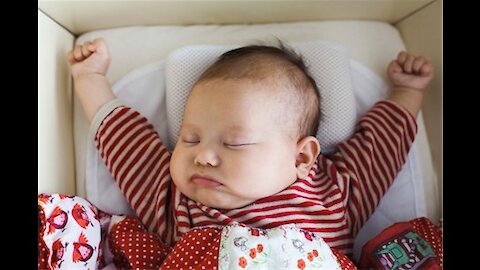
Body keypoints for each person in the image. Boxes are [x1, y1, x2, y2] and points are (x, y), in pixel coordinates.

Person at [64, 38, 433, 268]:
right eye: (189, 139)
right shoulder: (174, 200)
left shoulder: (333, 193)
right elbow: (125, 142)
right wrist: (91, 79)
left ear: (302, 158)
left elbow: (384, 143)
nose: (203, 156)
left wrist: (406, 92)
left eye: (234, 143)